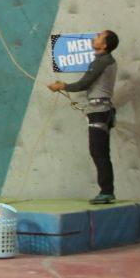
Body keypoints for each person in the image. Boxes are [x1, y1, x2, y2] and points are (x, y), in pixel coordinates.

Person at [48, 30, 120, 204]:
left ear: (104, 45)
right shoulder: (103, 61)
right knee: (101, 152)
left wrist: (62, 86)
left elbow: (83, 84)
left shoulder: (102, 61)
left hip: (99, 111)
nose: (95, 37)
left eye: (99, 37)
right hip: (101, 110)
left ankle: (106, 191)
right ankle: (107, 191)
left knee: (98, 152)